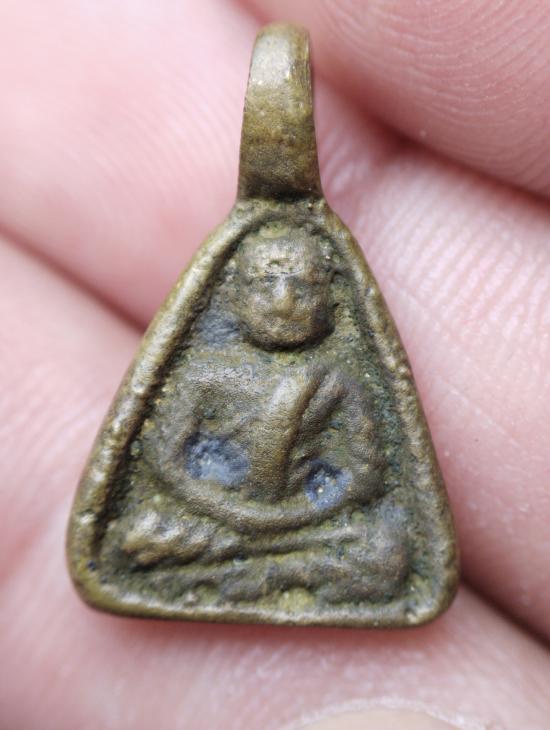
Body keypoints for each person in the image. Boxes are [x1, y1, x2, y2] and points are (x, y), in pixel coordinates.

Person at [3, 2, 550, 729]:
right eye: (266, 285)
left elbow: (364, 472)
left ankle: (257, 568)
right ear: (234, 295)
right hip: (217, 527)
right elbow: (164, 460)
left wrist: (298, 514)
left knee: (384, 553)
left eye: (303, 286)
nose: (285, 301)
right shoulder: (208, 374)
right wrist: (228, 511)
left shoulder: (340, 380)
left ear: (331, 297)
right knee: (142, 540)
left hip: (311, 530)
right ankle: (257, 565)